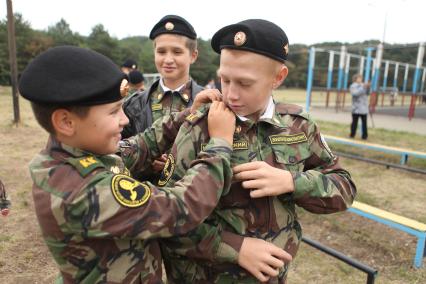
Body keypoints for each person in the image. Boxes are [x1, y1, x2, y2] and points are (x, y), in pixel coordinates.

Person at [18, 46, 289, 283]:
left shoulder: (79, 153)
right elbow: (180, 207)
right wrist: (219, 142)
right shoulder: (79, 188)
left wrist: (187, 115)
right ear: (66, 122)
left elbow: (140, 146)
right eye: (113, 112)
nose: (124, 120)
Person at [159, 19, 357, 283]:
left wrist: (291, 182)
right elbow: (164, 219)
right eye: (225, 79)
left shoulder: (298, 126)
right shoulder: (200, 126)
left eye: (245, 83)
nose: (230, 94)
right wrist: (233, 248)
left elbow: (344, 189)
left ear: (278, 77)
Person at [122, 15, 204, 139]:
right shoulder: (134, 106)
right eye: (161, 52)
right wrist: (143, 157)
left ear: (193, 56)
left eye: (177, 52)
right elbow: (114, 149)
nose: (168, 60)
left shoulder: (208, 103)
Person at [349, 74, 370, 140]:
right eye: (359, 78)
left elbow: (367, 93)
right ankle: (352, 134)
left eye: (361, 78)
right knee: (354, 123)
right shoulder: (353, 86)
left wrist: (368, 87)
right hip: (356, 109)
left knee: (364, 123)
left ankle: (364, 136)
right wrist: (363, 87)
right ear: (355, 79)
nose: (360, 79)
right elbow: (355, 94)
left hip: (364, 108)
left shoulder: (363, 85)